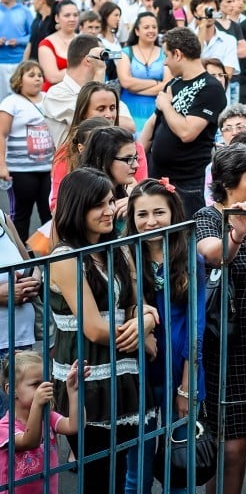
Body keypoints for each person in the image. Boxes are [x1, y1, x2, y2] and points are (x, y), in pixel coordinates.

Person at [50, 168, 158, 492]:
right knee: (97, 479)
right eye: (98, 204)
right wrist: (141, 333)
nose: (109, 210)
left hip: (123, 374)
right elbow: (94, 329)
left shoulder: (119, 248)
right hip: (86, 378)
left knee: (121, 472)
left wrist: (147, 321)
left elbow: (137, 305)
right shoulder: (65, 256)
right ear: (77, 208)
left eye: (111, 201)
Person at [195, 144, 246, 494]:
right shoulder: (209, 216)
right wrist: (236, 234)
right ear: (229, 184)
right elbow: (212, 254)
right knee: (231, 445)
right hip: (228, 345)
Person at [124, 179, 206, 494]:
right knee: (137, 467)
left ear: (173, 212)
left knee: (179, 462)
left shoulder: (189, 257)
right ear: (131, 218)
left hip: (182, 370)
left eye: (159, 212)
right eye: (141, 214)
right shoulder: (124, 256)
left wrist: (187, 387)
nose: (151, 221)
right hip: (139, 372)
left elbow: (196, 326)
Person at [143, 28, 226, 217]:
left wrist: (166, 105)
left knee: (186, 240)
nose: (164, 62)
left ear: (178, 54)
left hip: (188, 185)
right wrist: (140, 159)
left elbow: (188, 133)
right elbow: (154, 123)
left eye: (166, 55)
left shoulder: (211, 87)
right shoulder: (173, 84)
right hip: (158, 179)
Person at [0, 352, 87, 494]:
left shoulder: (47, 417)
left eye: (46, 382)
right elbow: (30, 442)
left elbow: (75, 426)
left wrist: (74, 391)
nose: (44, 388)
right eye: (36, 384)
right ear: (11, 391)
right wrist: (37, 404)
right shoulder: (4, 428)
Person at [49, 82, 144, 211]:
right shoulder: (67, 152)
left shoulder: (134, 148)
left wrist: (134, 200)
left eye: (112, 107)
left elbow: (143, 192)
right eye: (101, 109)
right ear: (83, 113)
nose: (109, 115)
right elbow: (57, 206)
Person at [0, 61, 54, 241]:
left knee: (50, 215)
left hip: (47, 169)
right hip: (20, 171)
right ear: (19, 80)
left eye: (39, 75)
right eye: (31, 75)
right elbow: (1, 134)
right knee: (21, 217)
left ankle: (53, 258)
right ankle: (20, 263)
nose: (37, 79)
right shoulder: (11, 103)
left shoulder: (49, 99)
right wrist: (2, 166)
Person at [0, 208, 40, 419]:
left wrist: (33, 280)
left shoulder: (1, 217)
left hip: (20, 343)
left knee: (23, 429)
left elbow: (31, 265)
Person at [41, 34, 110, 148]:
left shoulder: (104, 88)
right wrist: (99, 71)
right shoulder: (57, 94)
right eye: (103, 56)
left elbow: (128, 124)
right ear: (88, 60)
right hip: (72, 164)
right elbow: (94, 121)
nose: (105, 62)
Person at [117, 12, 170, 132]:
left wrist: (136, 88)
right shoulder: (126, 52)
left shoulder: (165, 53)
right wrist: (156, 83)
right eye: (146, 27)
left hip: (156, 108)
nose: (151, 30)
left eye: (154, 27)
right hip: (129, 108)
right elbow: (126, 82)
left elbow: (167, 84)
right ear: (137, 31)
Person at [0, 0, 34, 101]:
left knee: (19, 99)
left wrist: (19, 41)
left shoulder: (25, 11)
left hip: (19, 62)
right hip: (0, 63)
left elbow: (33, 36)